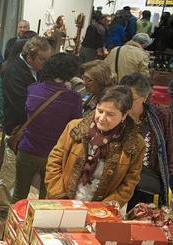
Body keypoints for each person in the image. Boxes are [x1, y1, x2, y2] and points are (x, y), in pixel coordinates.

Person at [46, 86, 145, 214]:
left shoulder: (135, 144)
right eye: (100, 111)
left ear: (124, 115)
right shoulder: (75, 127)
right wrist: (59, 196)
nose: (102, 118)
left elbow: (129, 183)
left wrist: (102, 209)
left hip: (100, 211)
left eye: (110, 114)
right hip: (63, 203)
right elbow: (54, 161)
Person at [10, 53, 82, 203]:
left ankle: (12, 225)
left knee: (18, 194)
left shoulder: (33, 89)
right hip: (53, 154)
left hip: (27, 149)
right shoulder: (73, 98)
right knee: (46, 199)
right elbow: (75, 126)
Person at [0, 36, 51, 206]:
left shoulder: (36, 69)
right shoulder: (13, 71)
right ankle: (5, 207)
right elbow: (20, 104)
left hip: (29, 130)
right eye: (42, 59)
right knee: (10, 172)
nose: (45, 63)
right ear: (29, 57)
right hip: (16, 128)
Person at [119, 73, 173, 209]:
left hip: (146, 187)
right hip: (116, 184)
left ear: (144, 98)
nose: (124, 102)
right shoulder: (115, 114)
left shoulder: (161, 116)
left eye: (130, 99)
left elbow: (170, 150)